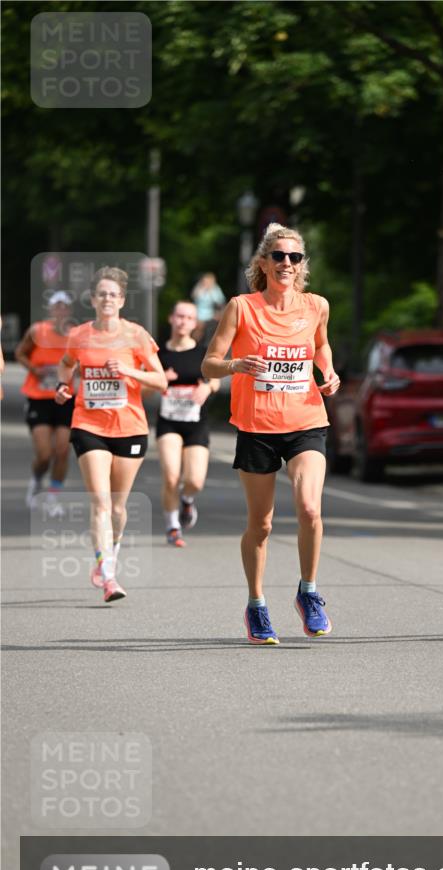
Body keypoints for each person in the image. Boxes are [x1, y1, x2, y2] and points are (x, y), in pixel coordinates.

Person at [202, 223, 340, 644]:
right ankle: (256, 605)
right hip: (257, 426)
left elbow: (321, 345)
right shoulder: (242, 308)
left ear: (302, 266)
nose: (286, 263)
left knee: (310, 509)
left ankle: (308, 593)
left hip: (305, 422)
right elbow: (209, 363)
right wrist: (235, 366)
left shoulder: (316, 305)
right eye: (278, 256)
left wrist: (328, 371)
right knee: (260, 525)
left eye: (294, 257)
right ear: (263, 263)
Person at [55, 267, 167, 602]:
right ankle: (108, 575)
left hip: (130, 426)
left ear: (121, 300)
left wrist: (129, 370)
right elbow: (65, 364)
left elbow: (161, 380)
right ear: (93, 299)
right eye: (101, 293)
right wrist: (64, 386)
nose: (107, 299)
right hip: (89, 425)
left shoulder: (136, 335)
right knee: (101, 502)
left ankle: (111, 552)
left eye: (113, 294)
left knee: (118, 506)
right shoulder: (80, 335)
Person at [151, 300, 220, 547]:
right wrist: (159, 381)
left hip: (195, 422)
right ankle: (172, 526)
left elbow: (216, 380)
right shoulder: (158, 354)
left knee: (195, 481)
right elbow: (143, 392)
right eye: (179, 316)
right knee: (171, 476)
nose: (183, 321)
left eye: (188, 318)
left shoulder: (202, 353)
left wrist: (207, 387)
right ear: (171, 319)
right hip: (168, 422)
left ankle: (187, 500)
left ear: (194, 324)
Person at [15, 291, 76, 515]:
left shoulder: (75, 335)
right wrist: (34, 369)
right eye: (56, 306)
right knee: (44, 454)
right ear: (50, 309)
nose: (60, 310)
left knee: (62, 451)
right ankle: (36, 479)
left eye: (64, 307)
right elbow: (21, 353)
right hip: (39, 397)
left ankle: (52, 497)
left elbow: (82, 361)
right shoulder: (38, 331)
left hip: (66, 397)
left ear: (69, 310)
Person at [191, 272, 226, 337]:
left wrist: (211, 292)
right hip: (199, 312)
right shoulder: (199, 287)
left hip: (211, 313)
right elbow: (194, 297)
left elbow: (220, 302)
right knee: (199, 327)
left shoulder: (215, 289)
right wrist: (202, 289)